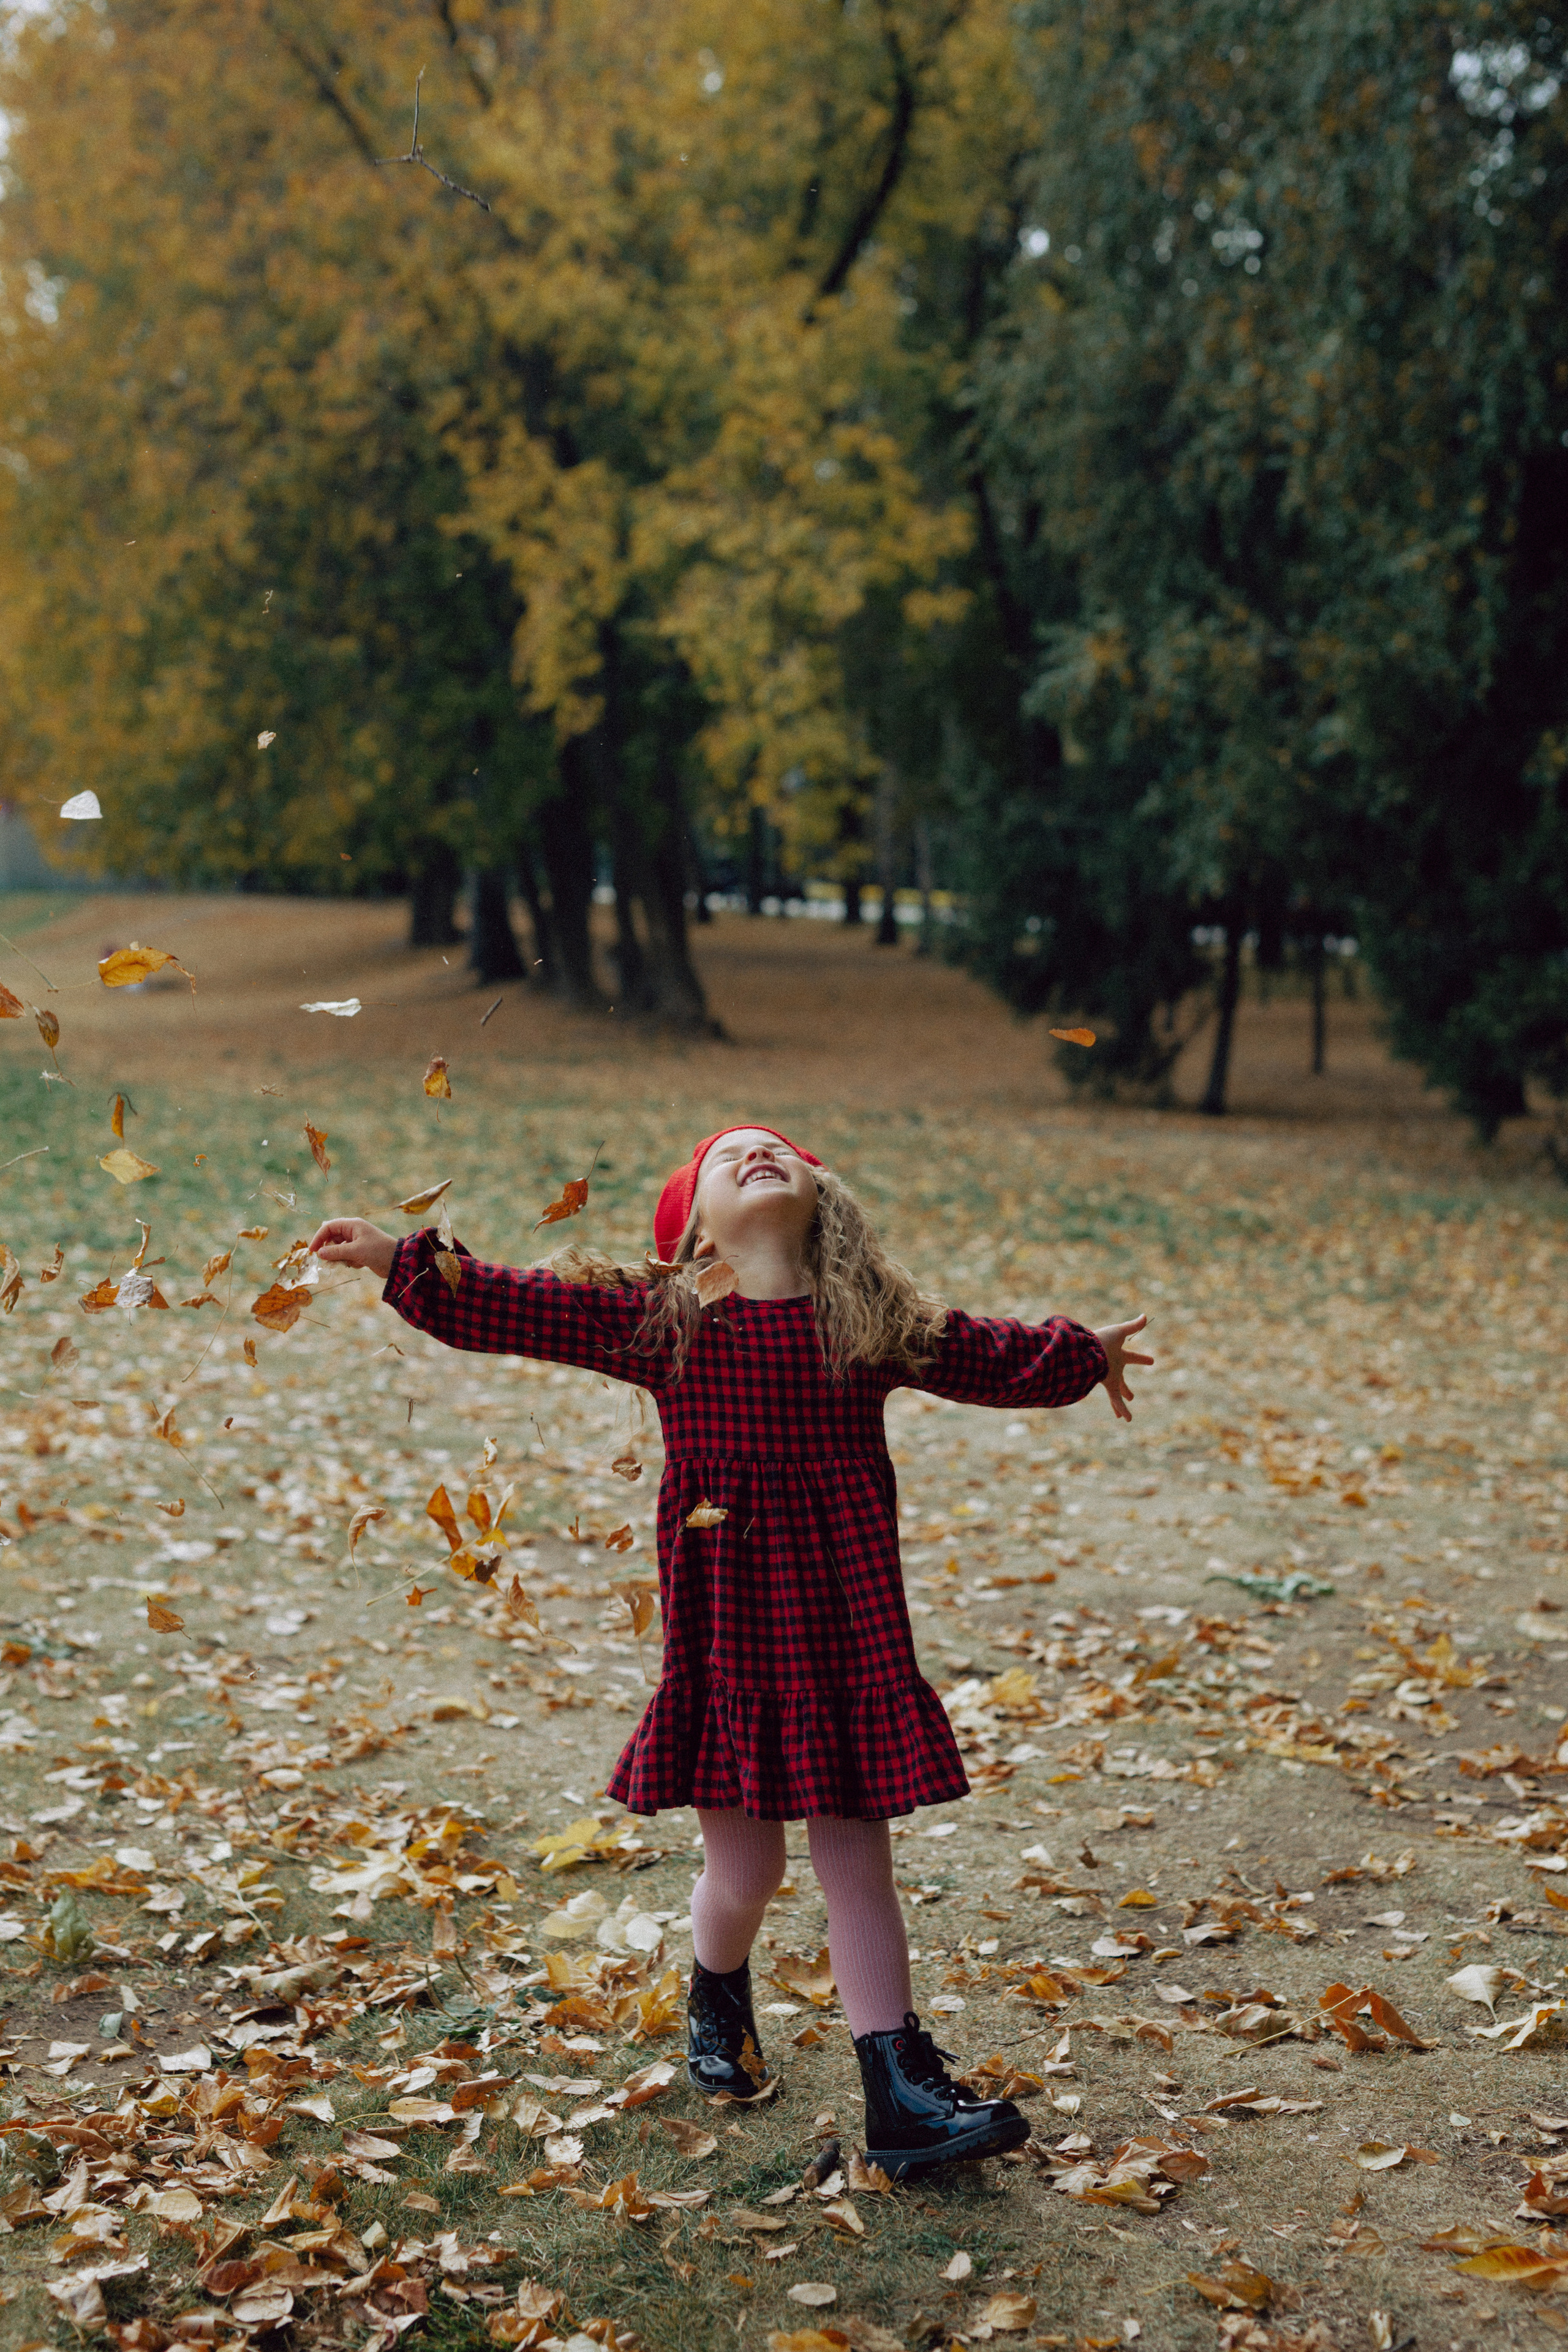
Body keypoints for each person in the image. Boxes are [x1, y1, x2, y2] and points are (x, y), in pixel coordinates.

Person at [309, 1125, 1150, 2177]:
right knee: (744, 1870)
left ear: (822, 1197)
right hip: (733, 1647)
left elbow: (987, 1352)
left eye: (778, 1149)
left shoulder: (868, 1322)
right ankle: (716, 1989)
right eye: (728, 1155)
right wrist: (401, 1261)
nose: (758, 1154)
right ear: (691, 1227)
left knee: (858, 1869)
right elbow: (516, 1304)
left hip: (848, 1643)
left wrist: (1087, 1354)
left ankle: (898, 2093)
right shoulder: (665, 1324)